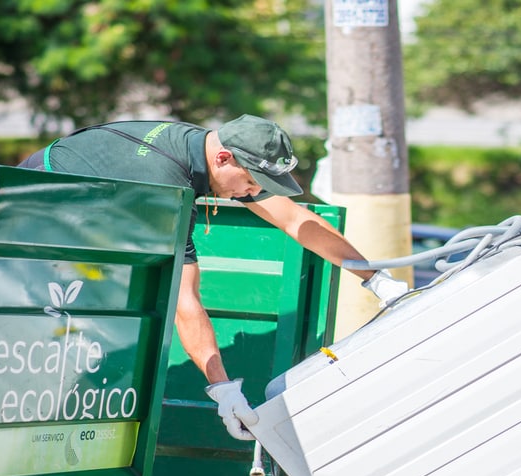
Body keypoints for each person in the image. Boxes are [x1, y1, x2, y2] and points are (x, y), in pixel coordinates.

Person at [20, 115, 409, 441]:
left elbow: (293, 218)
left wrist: (374, 278)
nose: (254, 193)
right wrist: (222, 389)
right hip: (32, 217)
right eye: (254, 183)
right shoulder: (166, 184)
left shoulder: (207, 150)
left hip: (87, 218)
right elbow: (184, 301)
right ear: (224, 159)